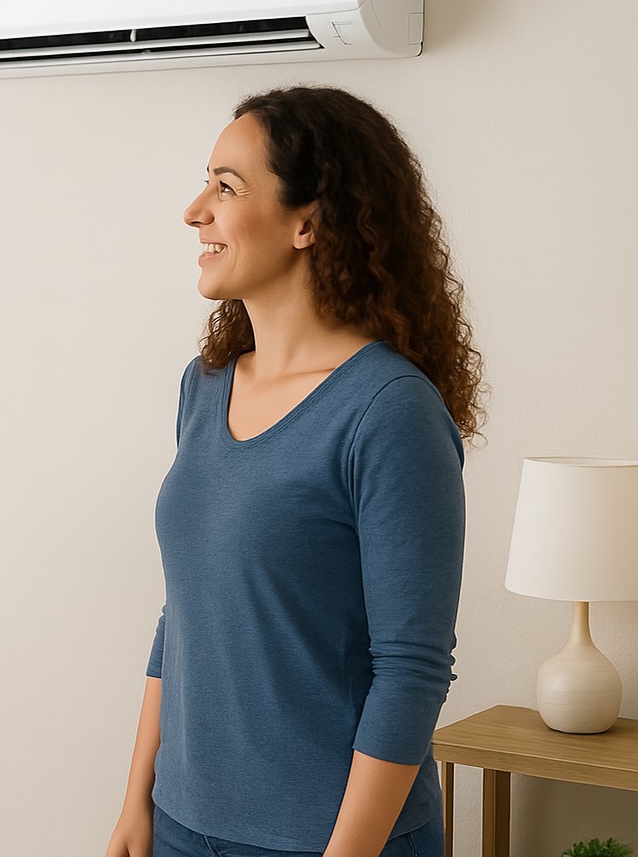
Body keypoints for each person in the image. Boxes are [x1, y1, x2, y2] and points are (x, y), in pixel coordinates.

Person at [105, 86, 483, 857]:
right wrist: (137, 802)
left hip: (333, 840)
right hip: (182, 824)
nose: (194, 211)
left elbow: (410, 670)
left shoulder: (388, 410)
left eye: (226, 186)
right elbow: (183, 616)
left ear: (307, 221)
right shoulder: (204, 385)